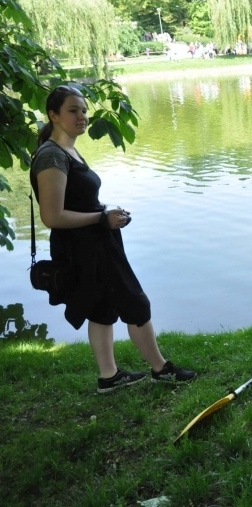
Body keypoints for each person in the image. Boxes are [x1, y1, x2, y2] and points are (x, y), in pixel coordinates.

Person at [30, 85, 197, 394]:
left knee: (101, 307)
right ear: (53, 115)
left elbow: (78, 202)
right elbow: (52, 217)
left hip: (95, 243)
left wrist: (108, 211)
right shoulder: (51, 156)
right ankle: (161, 370)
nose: (82, 116)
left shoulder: (67, 151)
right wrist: (100, 218)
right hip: (87, 249)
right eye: (73, 111)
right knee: (136, 303)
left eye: (83, 110)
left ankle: (109, 377)